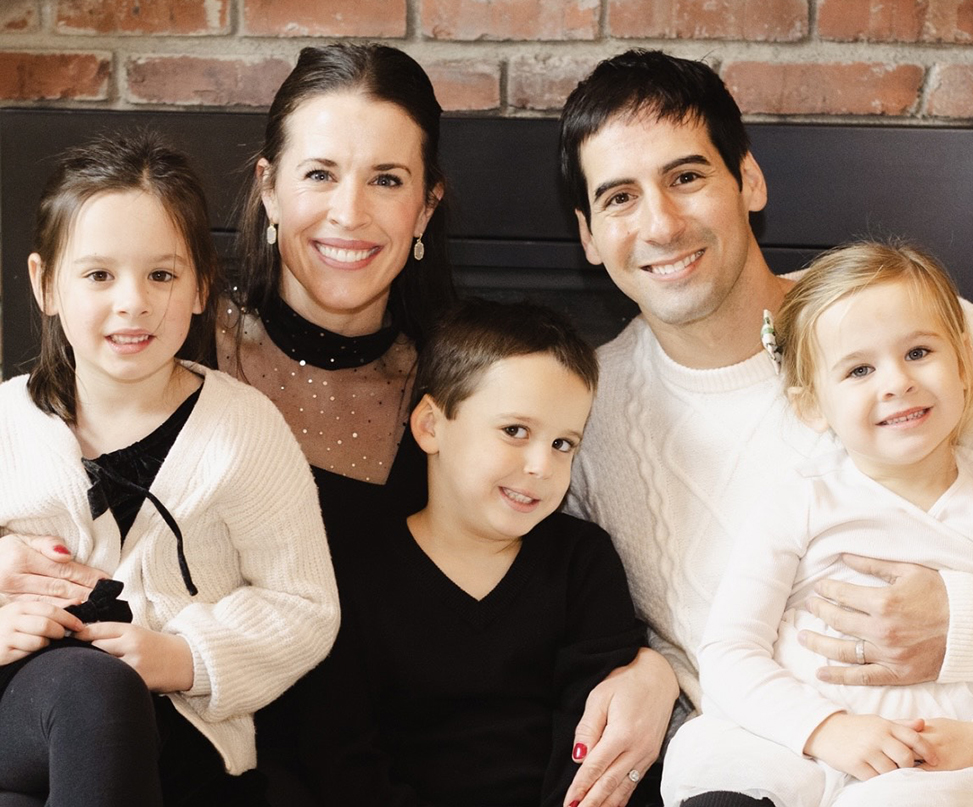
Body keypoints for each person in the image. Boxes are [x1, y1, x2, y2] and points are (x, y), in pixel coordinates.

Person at [0, 43, 675, 807]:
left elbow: (566, 551)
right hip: (130, 733)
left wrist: (659, 669)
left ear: (425, 207)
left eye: (386, 180)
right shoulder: (159, 329)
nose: (349, 211)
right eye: (319, 173)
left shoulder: (472, 386)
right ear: (271, 188)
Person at [558, 49, 973, 807]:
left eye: (687, 176)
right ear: (590, 235)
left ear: (749, 182)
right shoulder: (579, 410)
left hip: (947, 750)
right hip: (766, 755)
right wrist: (652, 663)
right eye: (620, 197)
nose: (660, 223)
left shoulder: (932, 338)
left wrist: (972, 621)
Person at [0, 131, 339, 806]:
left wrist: (184, 656)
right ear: (46, 284)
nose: (133, 302)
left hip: (180, 729)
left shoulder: (244, 428)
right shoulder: (5, 421)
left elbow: (306, 605)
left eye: (161, 274)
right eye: (99, 275)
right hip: (22, 711)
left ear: (199, 286)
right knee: (87, 689)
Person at [660, 241, 973, 807]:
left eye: (918, 352)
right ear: (811, 405)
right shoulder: (800, 502)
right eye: (860, 369)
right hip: (799, 738)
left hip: (934, 760)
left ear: (964, 364)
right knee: (713, 756)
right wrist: (824, 728)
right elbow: (729, 650)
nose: (896, 382)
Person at [308, 298, 656, 806]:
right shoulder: (355, 573)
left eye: (563, 444)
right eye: (515, 431)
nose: (541, 465)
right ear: (431, 426)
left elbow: (595, 735)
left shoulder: (581, 562)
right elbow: (340, 759)